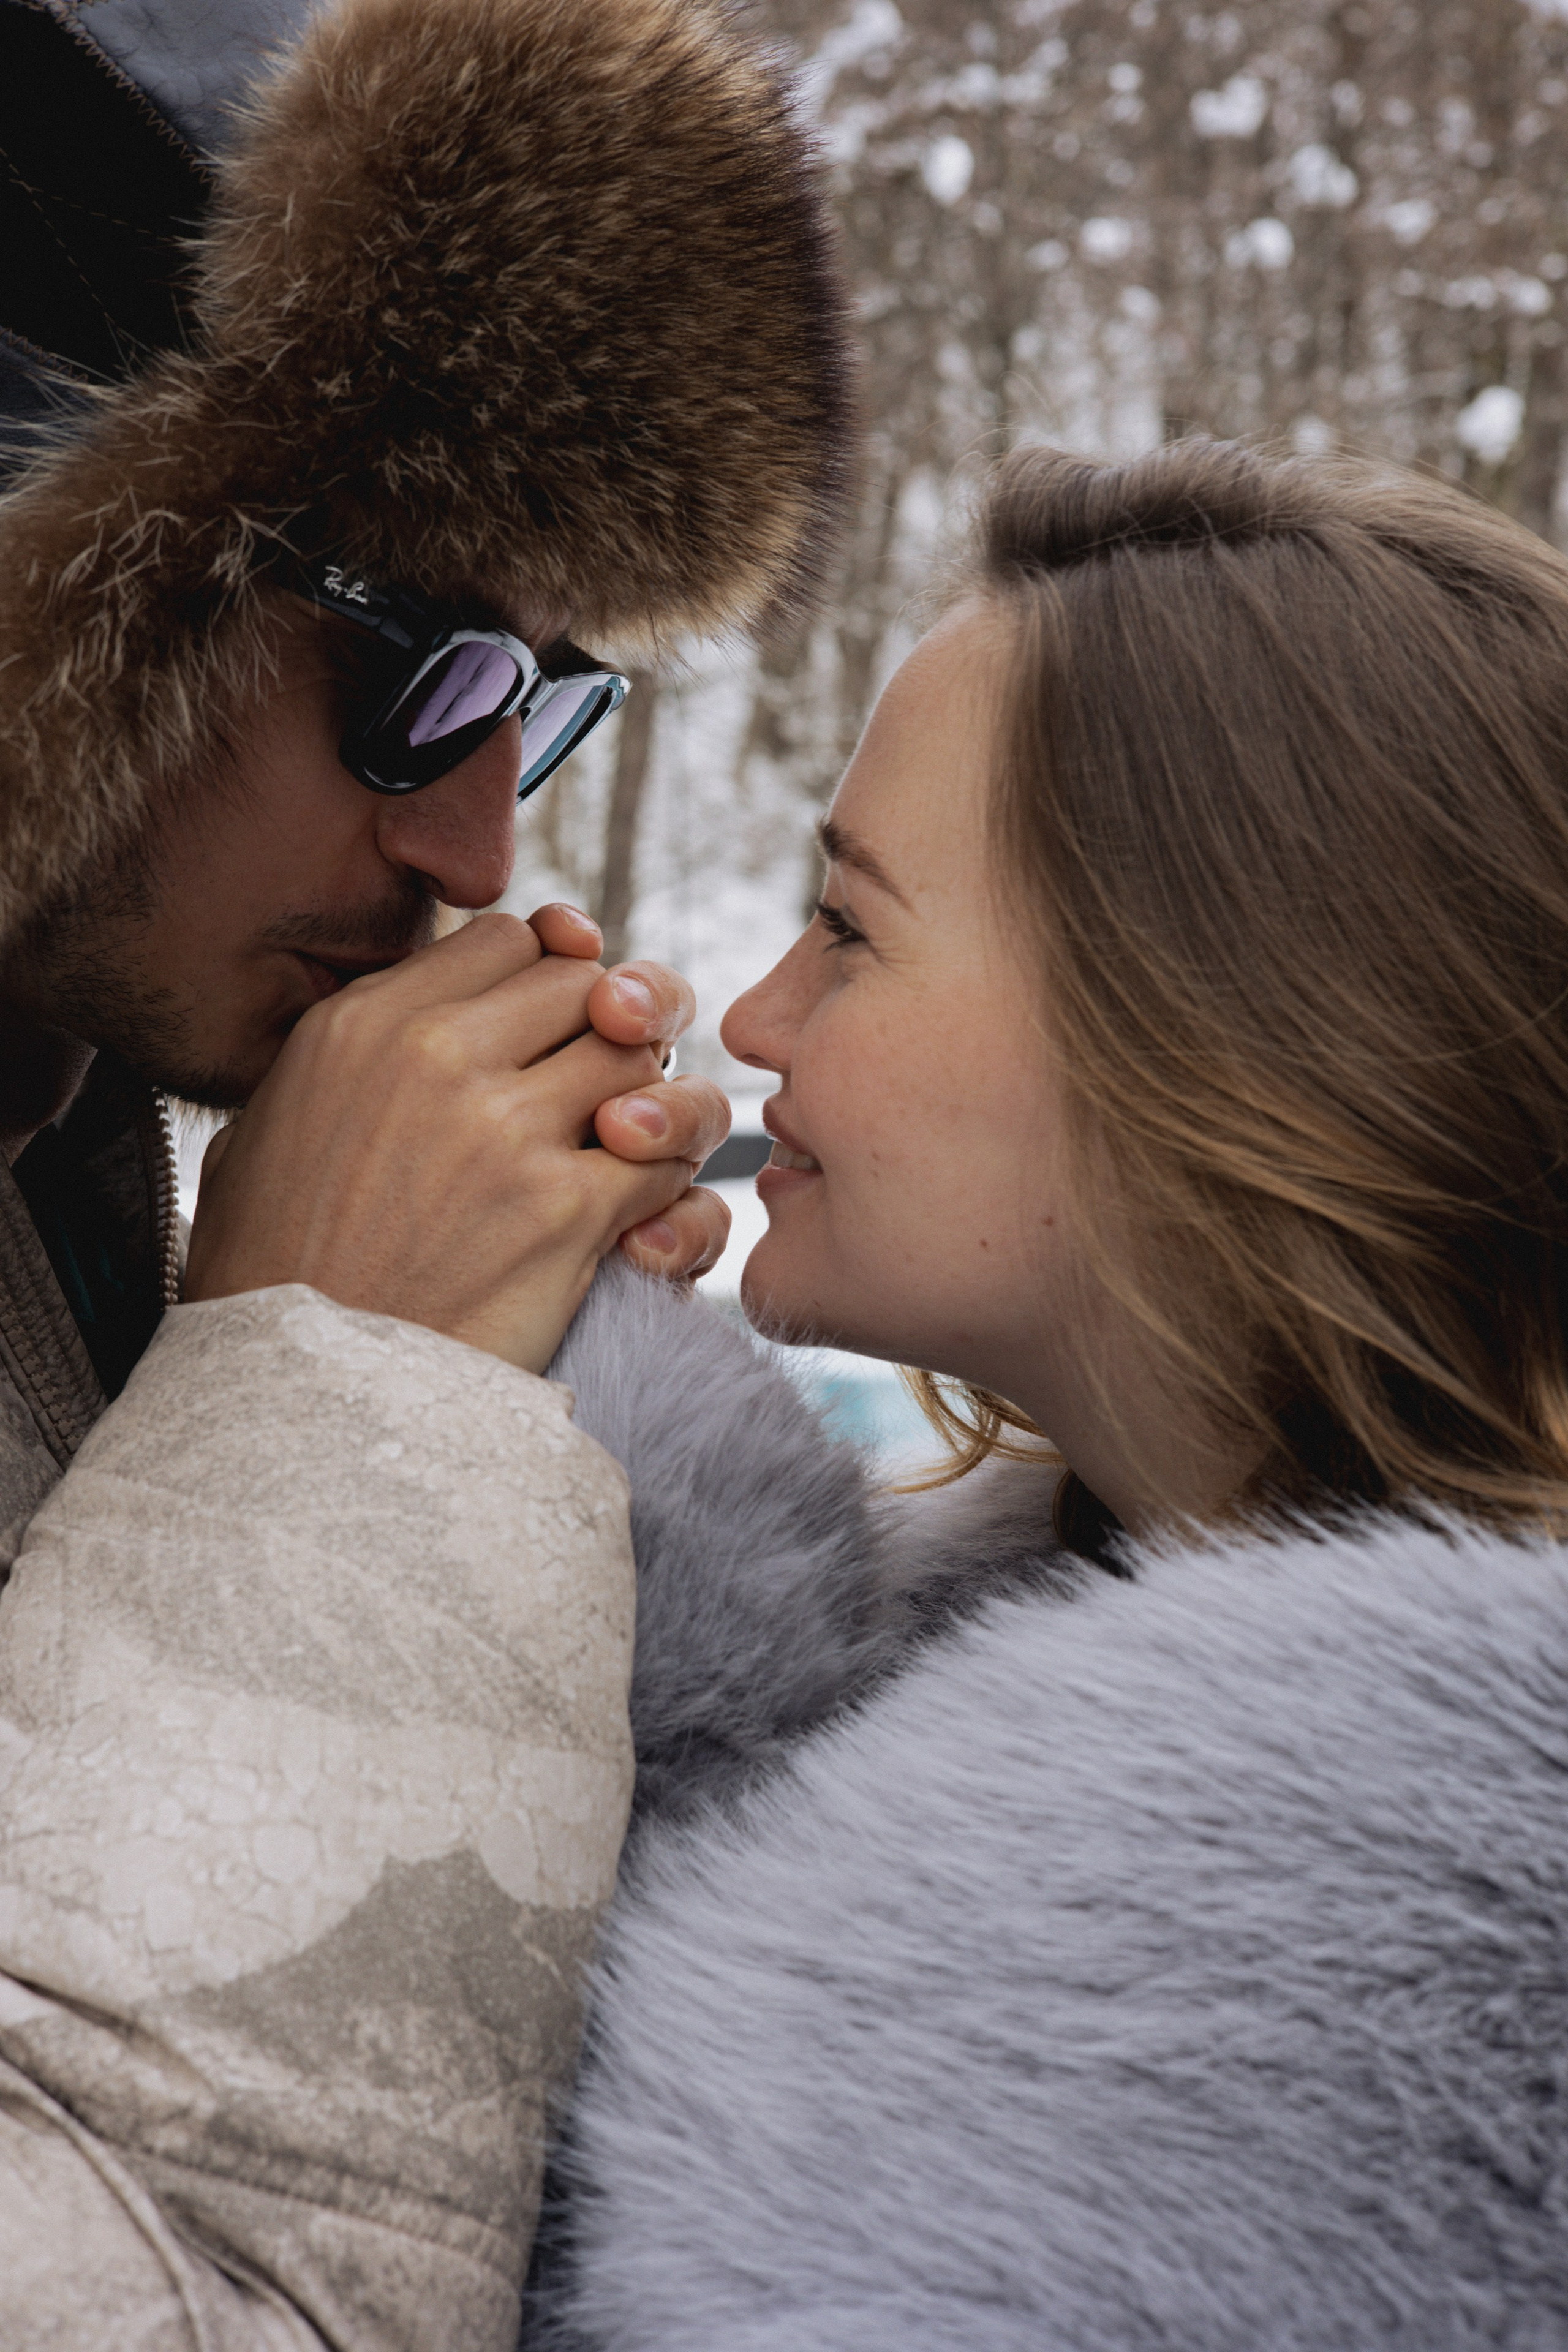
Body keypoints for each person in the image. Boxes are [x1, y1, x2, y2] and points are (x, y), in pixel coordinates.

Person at [526, 437, 1568, 2348]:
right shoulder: (917, 1727)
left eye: (850, 926)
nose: (749, 1021)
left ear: (1218, 1034)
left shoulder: (1442, 2029)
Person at [0, 0, 850, 2340]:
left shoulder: (60, 1125)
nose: (481, 845)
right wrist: (328, 1407)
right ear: (62, 562)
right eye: (421, 672)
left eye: (543, 704)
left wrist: (528, 1431)